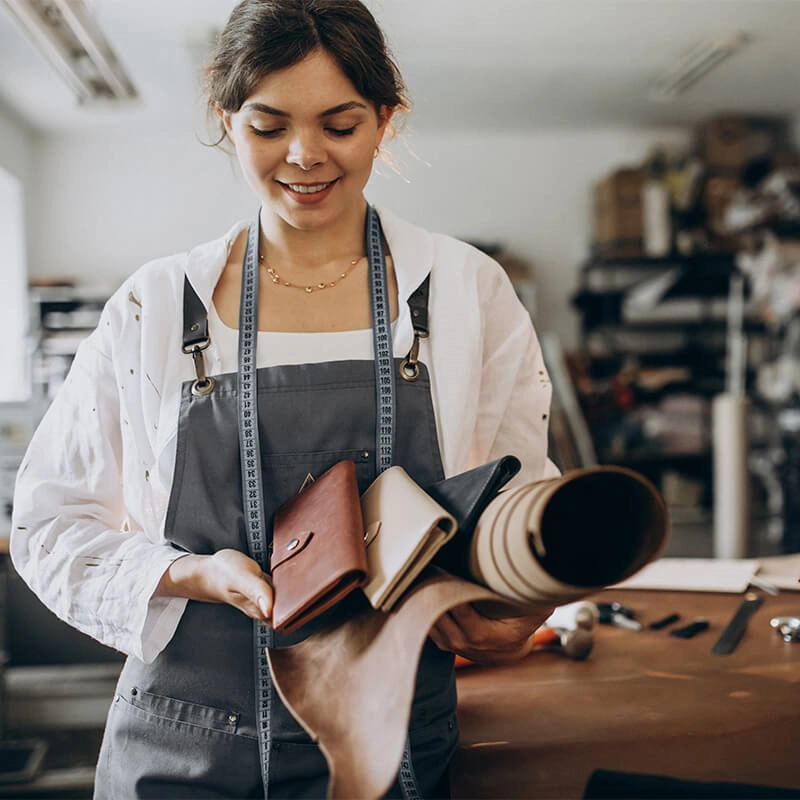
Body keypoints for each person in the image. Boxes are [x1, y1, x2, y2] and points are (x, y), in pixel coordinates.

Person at [11, 0, 558, 797]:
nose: (304, 155)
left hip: (397, 743)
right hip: (184, 752)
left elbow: (520, 498)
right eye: (268, 127)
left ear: (386, 121)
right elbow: (50, 523)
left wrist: (513, 604)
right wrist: (193, 576)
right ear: (225, 119)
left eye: (340, 125)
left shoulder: (465, 290)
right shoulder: (157, 305)